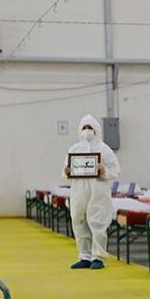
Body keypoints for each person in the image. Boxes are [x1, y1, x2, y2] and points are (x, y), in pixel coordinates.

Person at [63, 115, 121, 270]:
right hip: (78, 191)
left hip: (98, 192)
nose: (87, 131)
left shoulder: (104, 150)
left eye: (90, 128)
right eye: (84, 128)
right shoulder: (74, 150)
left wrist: (103, 170)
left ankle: (98, 257)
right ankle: (84, 256)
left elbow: (115, 170)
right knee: (78, 220)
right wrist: (67, 172)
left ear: (96, 130)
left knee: (98, 222)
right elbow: (66, 170)